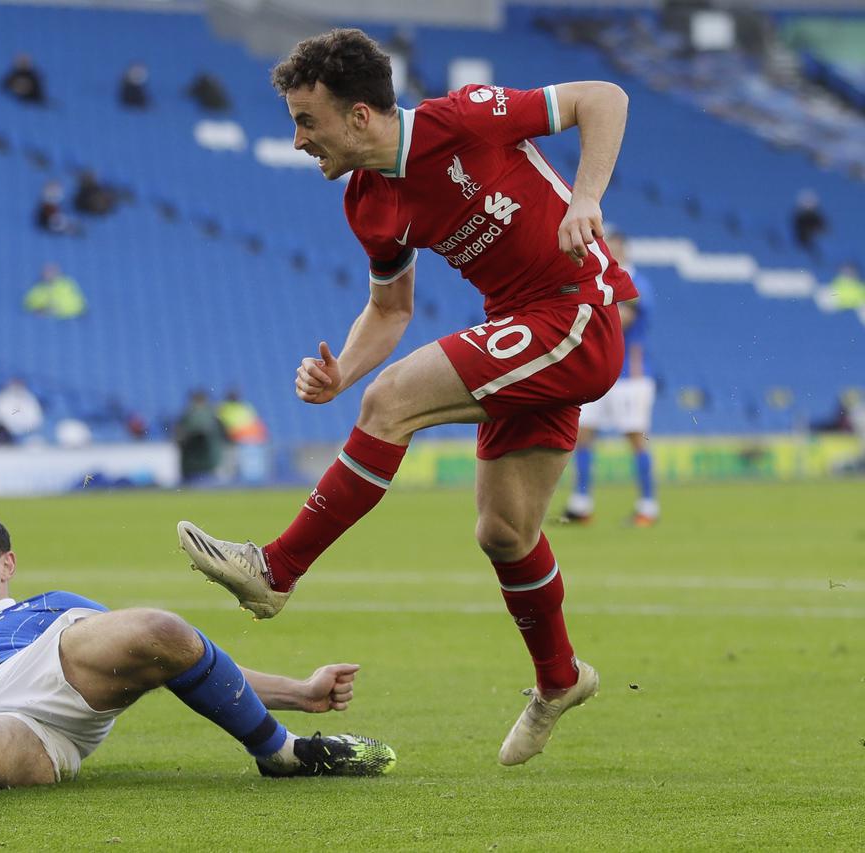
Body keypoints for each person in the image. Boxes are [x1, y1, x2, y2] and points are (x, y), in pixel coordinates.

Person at [176, 29, 637, 767]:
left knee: (393, 400)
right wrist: (342, 373)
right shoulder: (367, 202)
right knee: (504, 532)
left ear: (359, 115)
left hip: (576, 311)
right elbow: (390, 309)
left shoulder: (465, 118)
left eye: (307, 121)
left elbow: (603, 97)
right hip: (521, 329)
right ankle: (560, 678)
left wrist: (585, 200)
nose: (298, 140)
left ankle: (276, 570)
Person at [0, 505, 395, 794]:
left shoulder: (49, 609)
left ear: (6, 564)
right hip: (5, 726)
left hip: (54, 667)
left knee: (159, 630)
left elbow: (177, 660)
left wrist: (301, 692)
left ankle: (281, 752)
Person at [560, 231, 658, 526]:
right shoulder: (601, 280)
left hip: (631, 376)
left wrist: (585, 304)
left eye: (613, 248)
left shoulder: (636, 283)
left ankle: (648, 505)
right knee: (583, 434)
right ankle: (581, 503)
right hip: (599, 373)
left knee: (635, 438)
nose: (609, 252)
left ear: (624, 251)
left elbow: (621, 321)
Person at [174, 390, 227, 483]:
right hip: (210, 465)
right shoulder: (213, 414)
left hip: (194, 466)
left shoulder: (190, 415)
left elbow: (181, 436)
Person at [0, 377, 44, 441]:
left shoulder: (30, 400)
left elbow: (35, 420)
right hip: (4, 431)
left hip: (26, 433)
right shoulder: (3, 397)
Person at [791, 189, 827, 259]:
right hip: (802, 246)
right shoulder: (799, 219)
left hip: (815, 247)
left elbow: (824, 230)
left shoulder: (817, 218)